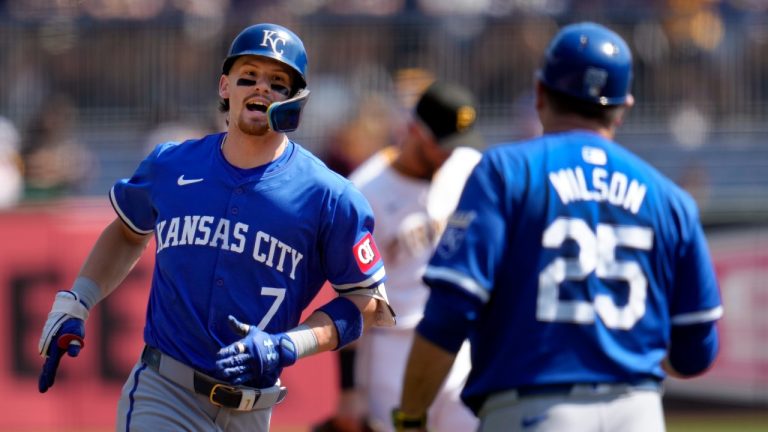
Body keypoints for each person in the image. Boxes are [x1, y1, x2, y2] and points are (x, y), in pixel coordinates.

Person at [36, 22, 395, 431]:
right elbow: (126, 231)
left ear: (297, 100)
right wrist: (77, 299)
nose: (261, 89)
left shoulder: (329, 195)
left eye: (278, 83)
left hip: (254, 408)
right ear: (225, 87)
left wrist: (290, 344)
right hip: (165, 391)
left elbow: (368, 304)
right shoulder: (172, 165)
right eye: (249, 77)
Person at [393, 22, 723, 432]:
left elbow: (450, 311)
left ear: (539, 92)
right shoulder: (670, 199)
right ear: (624, 105)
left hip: (534, 406)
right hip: (638, 411)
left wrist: (410, 415)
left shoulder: (505, 172)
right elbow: (697, 351)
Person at [316, 82, 484, 432]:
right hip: (392, 351)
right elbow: (352, 296)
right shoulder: (366, 192)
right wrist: (349, 390)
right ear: (414, 131)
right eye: (442, 145)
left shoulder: (468, 166)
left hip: (457, 343)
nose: (449, 154)